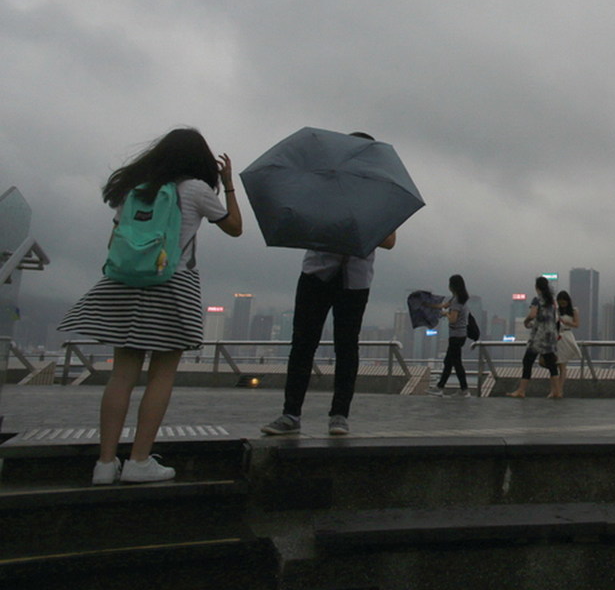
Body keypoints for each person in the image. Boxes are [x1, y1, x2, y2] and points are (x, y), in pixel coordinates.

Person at [58, 128, 242, 484]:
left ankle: (105, 463)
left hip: (126, 284)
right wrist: (229, 184)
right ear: (198, 160)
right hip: (172, 285)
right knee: (162, 373)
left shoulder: (135, 189)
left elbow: (115, 240)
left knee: (122, 374)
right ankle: (139, 460)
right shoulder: (196, 190)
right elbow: (234, 228)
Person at [261, 132, 397, 437]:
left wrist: (362, 219)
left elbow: (389, 241)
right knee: (303, 344)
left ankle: (339, 414)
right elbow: (301, 221)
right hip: (316, 273)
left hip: (355, 280)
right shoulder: (320, 186)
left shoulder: (377, 194)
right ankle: (290, 413)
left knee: (346, 346)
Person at [506, 277, 560, 399]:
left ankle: (521, 390)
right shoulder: (552, 301)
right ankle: (556, 391)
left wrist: (526, 321)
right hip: (550, 336)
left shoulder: (537, 300)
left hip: (539, 336)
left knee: (527, 361)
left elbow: (533, 314)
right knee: (551, 363)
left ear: (537, 287)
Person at [426, 274, 472, 397]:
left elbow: (453, 319)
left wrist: (445, 314)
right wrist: (429, 305)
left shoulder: (456, 301)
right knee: (449, 362)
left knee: (456, 363)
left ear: (453, 285)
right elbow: (444, 306)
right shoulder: (457, 298)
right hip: (460, 335)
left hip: (456, 336)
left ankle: (463, 390)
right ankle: (441, 387)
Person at [553, 290, 583, 397]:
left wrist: (567, 322)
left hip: (567, 335)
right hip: (557, 337)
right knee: (555, 365)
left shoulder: (574, 310)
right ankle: (556, 390)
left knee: (562, 365)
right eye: (560, 302)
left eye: (564, 302)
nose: (562, 304)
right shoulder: (556, 311)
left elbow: (577, 324)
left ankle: (559, 390)